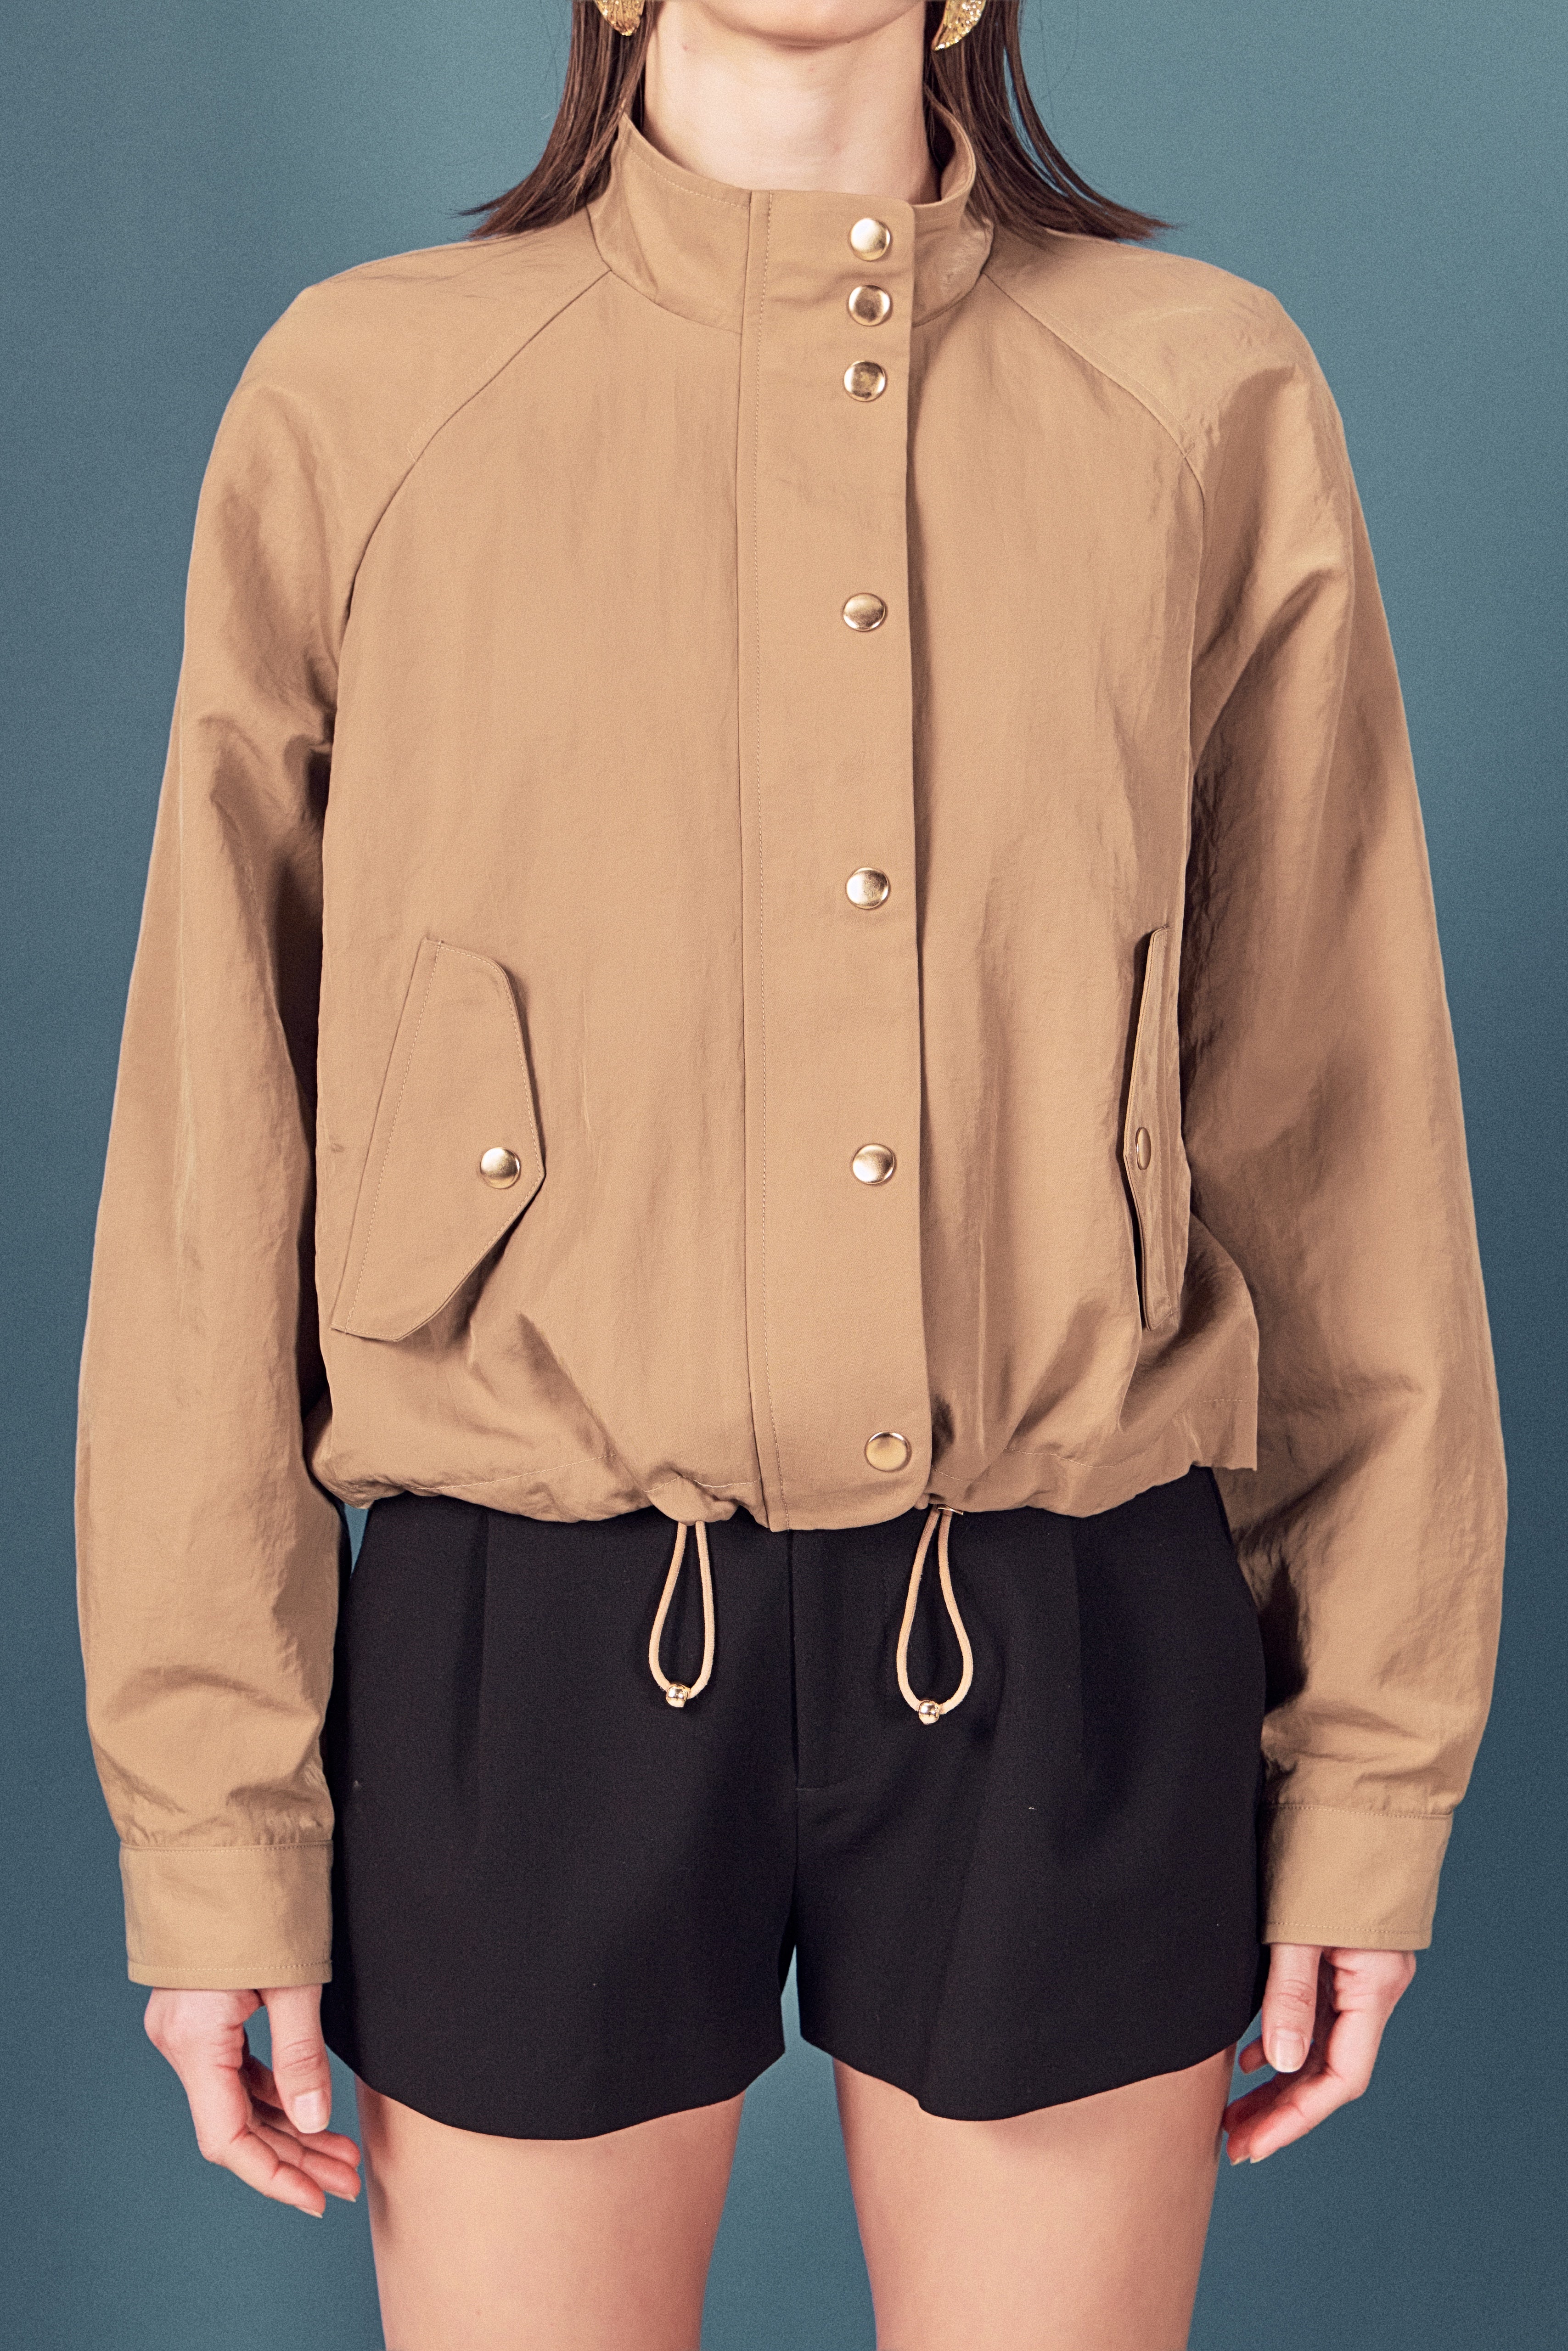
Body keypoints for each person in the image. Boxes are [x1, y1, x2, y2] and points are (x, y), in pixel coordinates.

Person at [75, 4, 1506, 2346]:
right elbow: (210, 1138)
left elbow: (1332, 1121)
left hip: (1062, 1613)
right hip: (529, 1626)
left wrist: (1365, 1773)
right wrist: (215, 1817)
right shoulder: (362, 397)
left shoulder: (1201, 394)